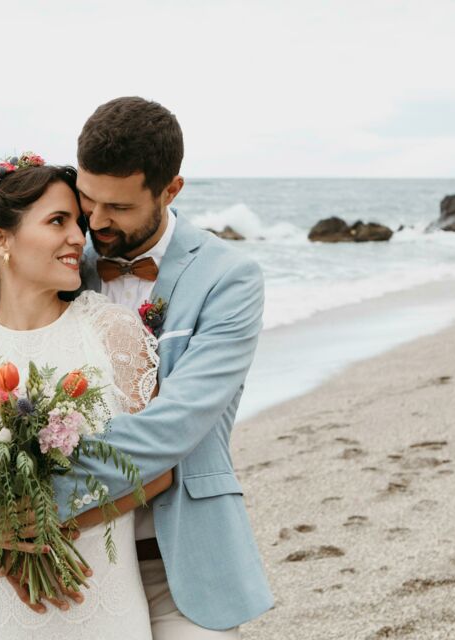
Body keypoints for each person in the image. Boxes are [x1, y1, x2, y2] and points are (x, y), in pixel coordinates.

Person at [0, 156, 172, 639]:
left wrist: (50, 529)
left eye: (78, 223)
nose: (78, 238)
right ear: (1, 240)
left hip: (103, 605)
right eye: (57, 222)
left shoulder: (113, 332)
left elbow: (158, 470)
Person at [31, 97, 275, 638]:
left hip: (180, 564)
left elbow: (177, 423)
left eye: (117, 207)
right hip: (70, 562)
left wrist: (41, 496)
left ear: (170, 190)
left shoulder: (229, 278)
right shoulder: (61, 262)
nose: (94, 222)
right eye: (87, 198)